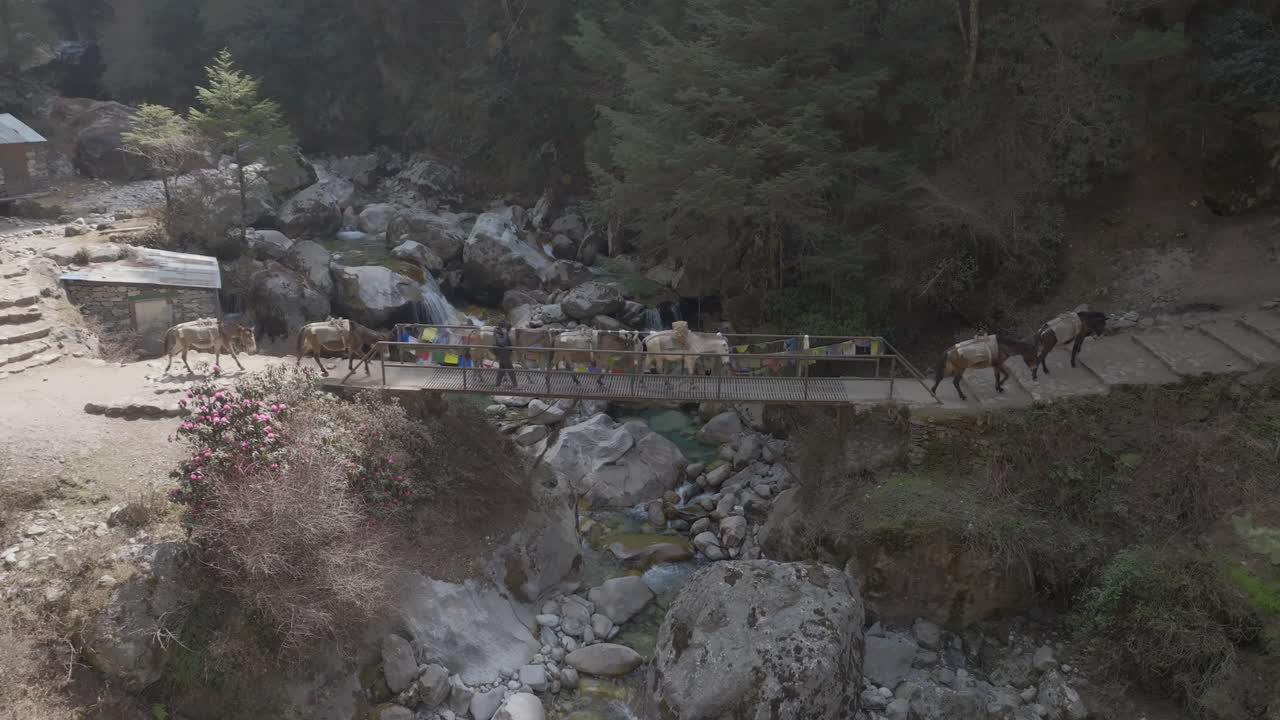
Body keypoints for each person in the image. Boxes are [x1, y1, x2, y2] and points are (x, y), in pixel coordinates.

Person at [493, 321, 517, 387]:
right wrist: (505, 334)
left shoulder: (501, 333)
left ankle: (497, 384)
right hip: (503, 354)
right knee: (510, 370)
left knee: (501, 370)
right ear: (503, 328)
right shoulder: (498, 334)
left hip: (505, 354)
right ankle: (515, 385)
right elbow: (502, 343)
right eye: (508, 329)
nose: (508, 331)